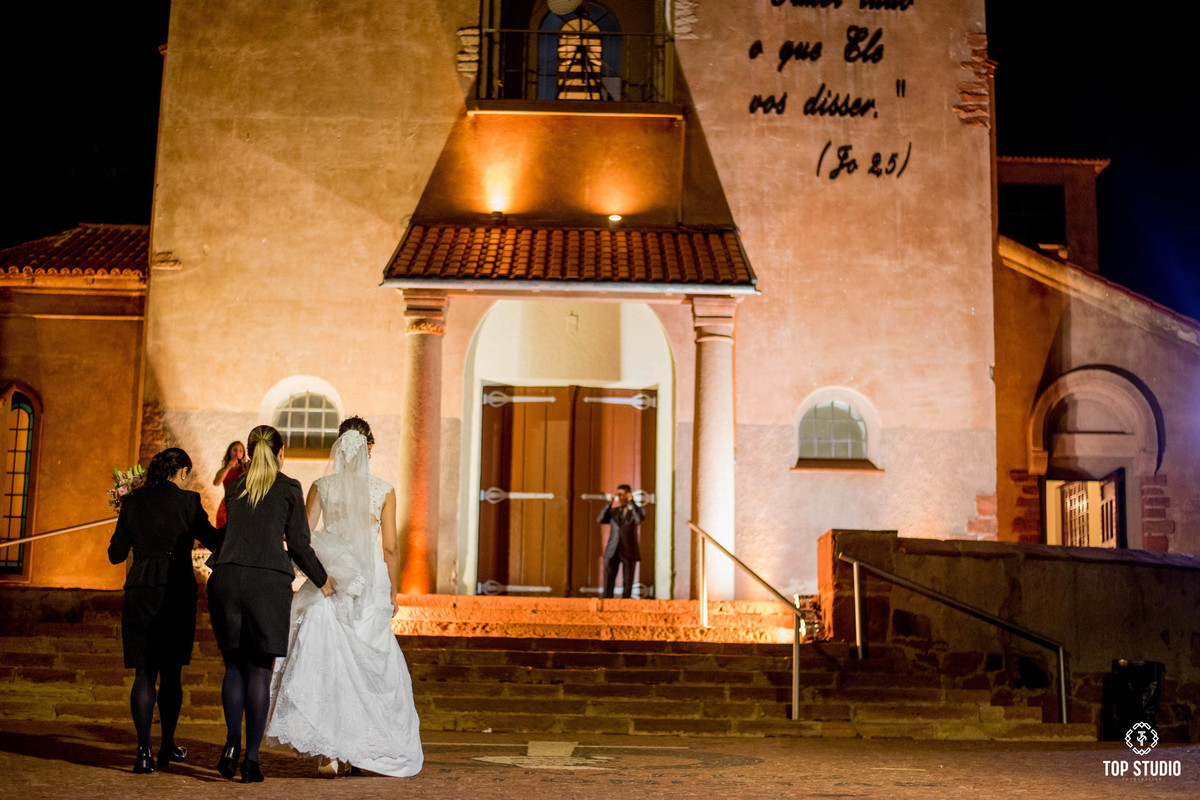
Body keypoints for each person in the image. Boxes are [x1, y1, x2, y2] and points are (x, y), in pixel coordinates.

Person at [265, 416, 423, 778]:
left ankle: (329, 753)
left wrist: (317, 574)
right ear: (368, 448)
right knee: (367, 667)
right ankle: (354, 749)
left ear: (340, 447)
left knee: (329, 661)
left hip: (330, 580)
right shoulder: (383, 490)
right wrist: (394, 589)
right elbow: (392, 548)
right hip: (369, 584)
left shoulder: (322, 486)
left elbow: (302, 539)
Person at [206, 425, 333, 783]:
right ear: (281, 452)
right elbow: (298, 546)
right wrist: (323, 581)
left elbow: (230, 535)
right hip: (266, 582)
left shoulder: (234, 487)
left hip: (227, 579)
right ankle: (250, 761)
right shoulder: (289, 488)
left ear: (248, 452)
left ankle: (231, 744)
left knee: (233, 667)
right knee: (259, 671)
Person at [107, 447, 224, 774]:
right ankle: (167, 744)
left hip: (141, 590)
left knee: (143, 672)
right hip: (176, 591)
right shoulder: (188, 502)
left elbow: (116, 555)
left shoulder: (132, 502)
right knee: (171, 672)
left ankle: (143, 752)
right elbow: (214, 541)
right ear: (182, 472)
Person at [597, 484, 645, 599]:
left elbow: (639, 519)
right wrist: (609, 503)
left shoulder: (634, 511)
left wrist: (631, 502)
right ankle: (607, 601)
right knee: (609, 578)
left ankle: (626, 602)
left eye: (624, 494)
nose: (621, 497)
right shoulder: (614, 511)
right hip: (613, 549)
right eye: (619, 494)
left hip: (628, 549)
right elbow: (600, 519)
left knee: (628, 580)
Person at [212, 441, 248, 527]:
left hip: (241, 505)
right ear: (230, 452)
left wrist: (246, 468)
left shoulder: (245, 468)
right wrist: (229, 466)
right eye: (235, 450)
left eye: (240, 451)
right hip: (227, 505)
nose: (237, 454)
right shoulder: (225, 469)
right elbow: (216, 483)